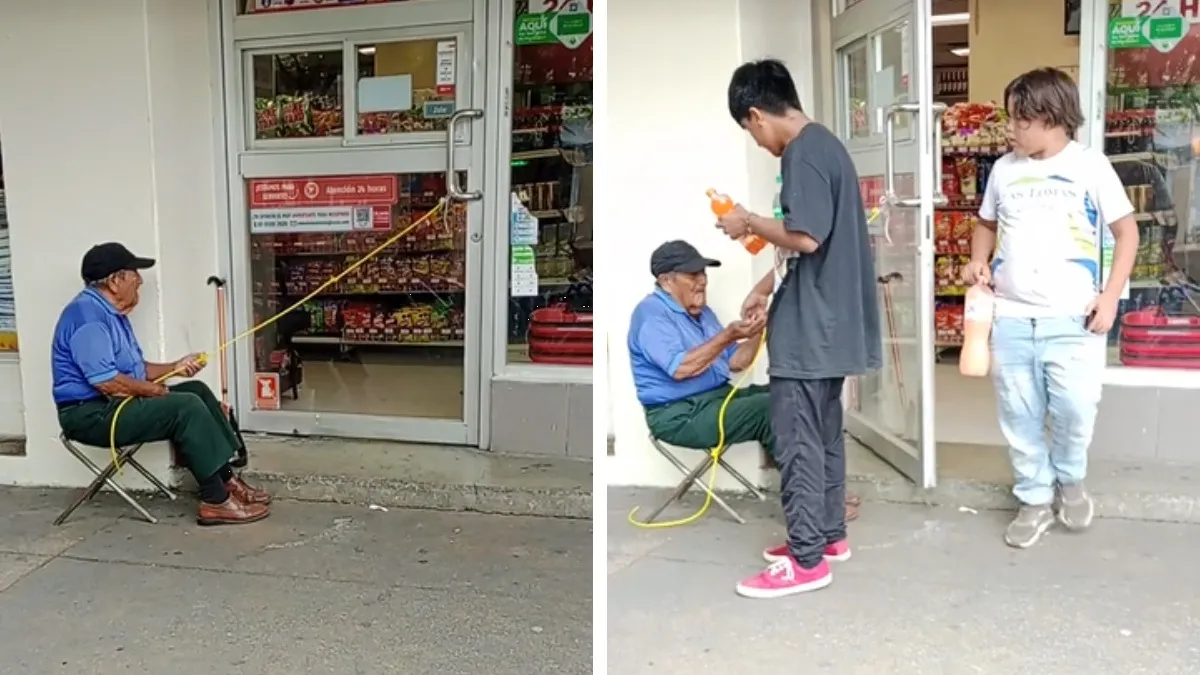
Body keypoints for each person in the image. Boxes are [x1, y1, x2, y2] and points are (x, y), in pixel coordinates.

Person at [714, 59, 882, 599]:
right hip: (829, 322)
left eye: (750, 130)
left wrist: (747, 221)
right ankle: (828, 537)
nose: (757, 142)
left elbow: (805, 236)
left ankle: (806, 559)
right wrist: (765, 286)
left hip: (810, 327)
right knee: (824, 434)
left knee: (799, 442)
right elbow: (812, 244)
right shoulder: (826, 146)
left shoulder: (802, 152)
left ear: (757, 115)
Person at [962, 68, 1137, 549]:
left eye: (1020, 119)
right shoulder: (1004, 169)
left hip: (1075, 317)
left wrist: (1110, 296)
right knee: (1019, 413)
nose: (1011, 129)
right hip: (1011, 317)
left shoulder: (1090, 165)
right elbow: (985, 224)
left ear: (1052, 117)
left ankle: (1070, 479)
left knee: (1075, 409)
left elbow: (1127, 233)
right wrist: (977, 260)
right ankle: (1034, 497)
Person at [628, 240, 862, 521]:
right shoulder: (652, 315)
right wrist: (727, 335)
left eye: (703, 273)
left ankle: (826, 487)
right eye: (693, 275)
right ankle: (816, 503)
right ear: (667, 281)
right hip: (679, 415)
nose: (702, 281)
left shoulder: (702, 313)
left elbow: (737, 361)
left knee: (794, 391)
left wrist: (756, 327)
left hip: (715, 398)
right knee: (771, 408)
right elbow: (681, 369)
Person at [52, 242, 273, 526]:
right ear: (115, 280)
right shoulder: (88, 319)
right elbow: (107, 382)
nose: (140, 280)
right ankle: (215, 500)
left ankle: (227, 479)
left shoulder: (111, 314)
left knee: (196, 391)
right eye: (134, 274)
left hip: (112, 404)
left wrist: (176, 367)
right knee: (185, 407)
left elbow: (136, 369)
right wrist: (156, 391)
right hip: (90, 414)